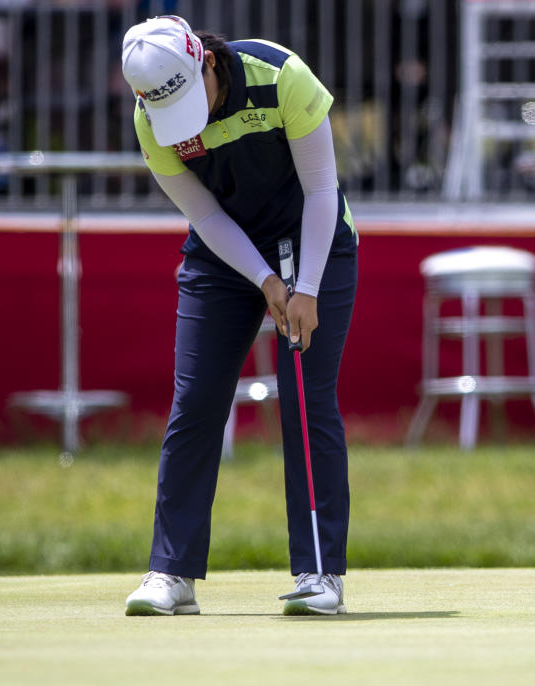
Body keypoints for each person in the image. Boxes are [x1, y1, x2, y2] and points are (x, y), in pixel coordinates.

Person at [119, 15, 356, 616]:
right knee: (195, 401)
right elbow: (206, 216)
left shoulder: (281, 77)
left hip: (314, 242)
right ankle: (171, 574)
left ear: (208, 62)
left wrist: (304, 286)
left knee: (304, 398)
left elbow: (323, 188)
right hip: (224, 254)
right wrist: (264, 280)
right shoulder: (152, 121)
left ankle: (320, 575)